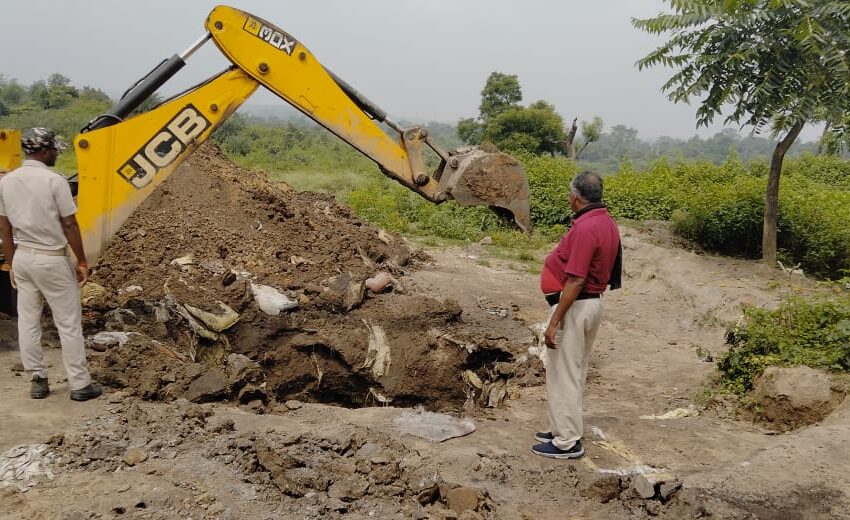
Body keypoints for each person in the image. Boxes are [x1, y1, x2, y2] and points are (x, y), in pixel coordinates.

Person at [0, 127, 101, 401]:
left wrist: (11, 265)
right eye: (54, 149)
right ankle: (79, 384)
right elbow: (69, 224)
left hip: (23, 258)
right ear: (43, 151)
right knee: (68, 322)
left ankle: (38, 379)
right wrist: (82, 260)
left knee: (28, 320)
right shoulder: (54, 181)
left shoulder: (7, 182)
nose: (57, 153)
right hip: (51, 259)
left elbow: (5, 230)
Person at [532, 171, 621, 459]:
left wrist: (554, 321)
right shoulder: (605, 222)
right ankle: (561, 427)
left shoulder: (586, 229)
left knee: (565, 373)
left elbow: (575, 280)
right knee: (573, 370)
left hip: (576, 305)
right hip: (588, 304)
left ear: (575, 197)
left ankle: (567, 441)